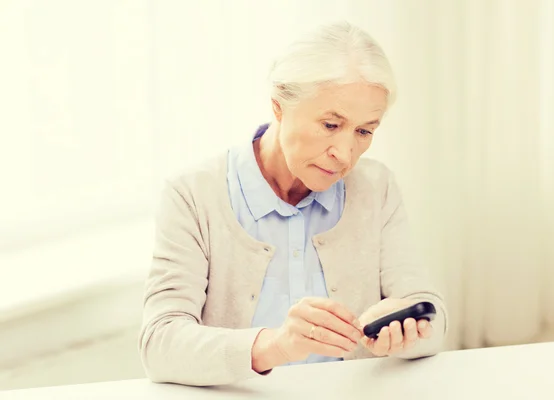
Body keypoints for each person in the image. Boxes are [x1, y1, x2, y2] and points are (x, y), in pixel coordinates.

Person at [138, 21, 448, 387]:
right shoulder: (192, 195)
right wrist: (275, 345)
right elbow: (159, 343)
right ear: (279, 106)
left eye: (364, 131)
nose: (345, 154)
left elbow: (433, 316)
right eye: (331, 125)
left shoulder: (376, 187)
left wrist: (408, 332)